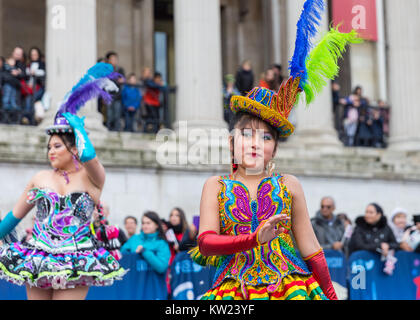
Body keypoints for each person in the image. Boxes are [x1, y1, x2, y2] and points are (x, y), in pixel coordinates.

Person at [189, 2, 360, 299]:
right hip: (234, 291)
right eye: (247, 134)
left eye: (266, 138)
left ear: (275, 150)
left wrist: (331, 297)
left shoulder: (289, 185)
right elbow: (205, 243)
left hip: (291, 288)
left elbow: (312, 251)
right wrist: (254, 239)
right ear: (232, 143)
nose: (255, 143)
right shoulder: (215, 186)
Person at [0, 62, 127, 300]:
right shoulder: (40, 178)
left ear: (73, 149)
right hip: (38, 255)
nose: (51, 152)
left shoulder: (92, 178)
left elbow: (88, 155)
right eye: (48, 147)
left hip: (76, 258)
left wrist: (78, 127)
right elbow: (13, 218)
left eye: (57, 146)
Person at [22, 47, 46, 125]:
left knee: (33, 99)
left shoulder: (42, 64)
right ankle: (27, 118)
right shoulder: (28, 65)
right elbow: (25, 74)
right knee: (28, 99)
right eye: (32, 55)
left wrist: (35, 72)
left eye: (35, 54)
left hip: (38, 88)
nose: (34, 56)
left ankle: (31, 118)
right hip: (29, 88)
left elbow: (43, 73)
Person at [105, 51, 125, 131]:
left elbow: (122, 80)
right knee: (109, 115)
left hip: (118, 96)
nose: (114, 61)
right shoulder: (106, 70)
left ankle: (116, 131)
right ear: (108, 60)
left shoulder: (120, 70)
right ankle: (109, 130)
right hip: (108, 95)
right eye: (112, 59)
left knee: (117, 115)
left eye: (115, 59)